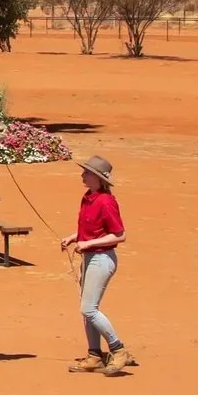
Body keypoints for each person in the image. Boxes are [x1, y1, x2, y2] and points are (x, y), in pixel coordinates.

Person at [62, 154, 134, 375]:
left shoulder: (106, 201)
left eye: (86, 172)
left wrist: (88, 243)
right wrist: (74, 237)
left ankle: (118, 350)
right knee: (88, 309)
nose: (82, 175)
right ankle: (94, 355)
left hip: (101, 259)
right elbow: (92, 228)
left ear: (97, 177)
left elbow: (119, 235)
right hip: (90, 257)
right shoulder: (88, 197)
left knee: (88, 308)